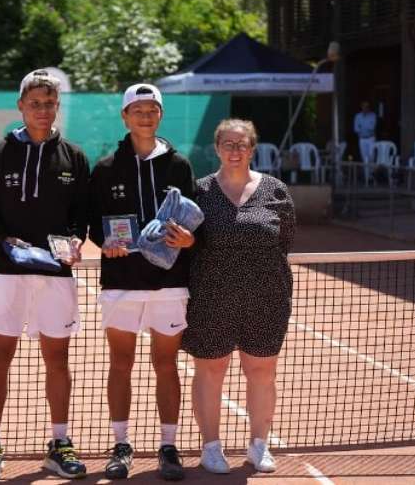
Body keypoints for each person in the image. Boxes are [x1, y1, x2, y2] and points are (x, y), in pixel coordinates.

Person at [0, 69, 90, 481]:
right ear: (21, 106)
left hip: (56, 276)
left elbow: (80, 217)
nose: (42, 110)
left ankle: (59, 443)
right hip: (7, 273)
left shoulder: (74, 156)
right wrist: (5, 243)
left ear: (57, 107)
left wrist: (74, 241)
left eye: (49, 103)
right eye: (34, 103)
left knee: (58, 359)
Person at [88, 83, 195, 481]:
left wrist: (188, 240)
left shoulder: (180, 166)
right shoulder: (105, 168)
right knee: (121, 363)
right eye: (138, 109)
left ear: (160, 115)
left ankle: (169, 446)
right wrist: (106, 244)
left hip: (170, 283)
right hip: (121, 283)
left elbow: (190, 219)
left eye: (152, 109)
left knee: (166, 365)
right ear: (125, 116)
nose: (145, 116)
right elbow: (93, 225)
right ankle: (121, 445)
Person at [181, 119, 295, 475]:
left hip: (266, 296)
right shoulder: (198, 191)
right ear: (216, 148)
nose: (235, 150)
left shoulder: (275, 189)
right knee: (211, 370)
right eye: (228, 144)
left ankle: (259, 446)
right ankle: (211, 448)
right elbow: (187, 245)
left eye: (242, 144)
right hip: (211, 297)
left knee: (262, 372)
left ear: (252, 148)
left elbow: (285, 239)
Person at [353, 101, 377, 181]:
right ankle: (367, 177)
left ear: (369, 108)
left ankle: (372, 175)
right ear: (361, 107)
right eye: (364, 106)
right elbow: (356, 128)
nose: (365, 108)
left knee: (371, 157)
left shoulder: (373, 115)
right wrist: (362, 129)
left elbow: (372, 128)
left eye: (367, 107)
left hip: (371, 139)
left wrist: (362, 128)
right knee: (364, 158)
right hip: (362, 139)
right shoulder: (357, 116)